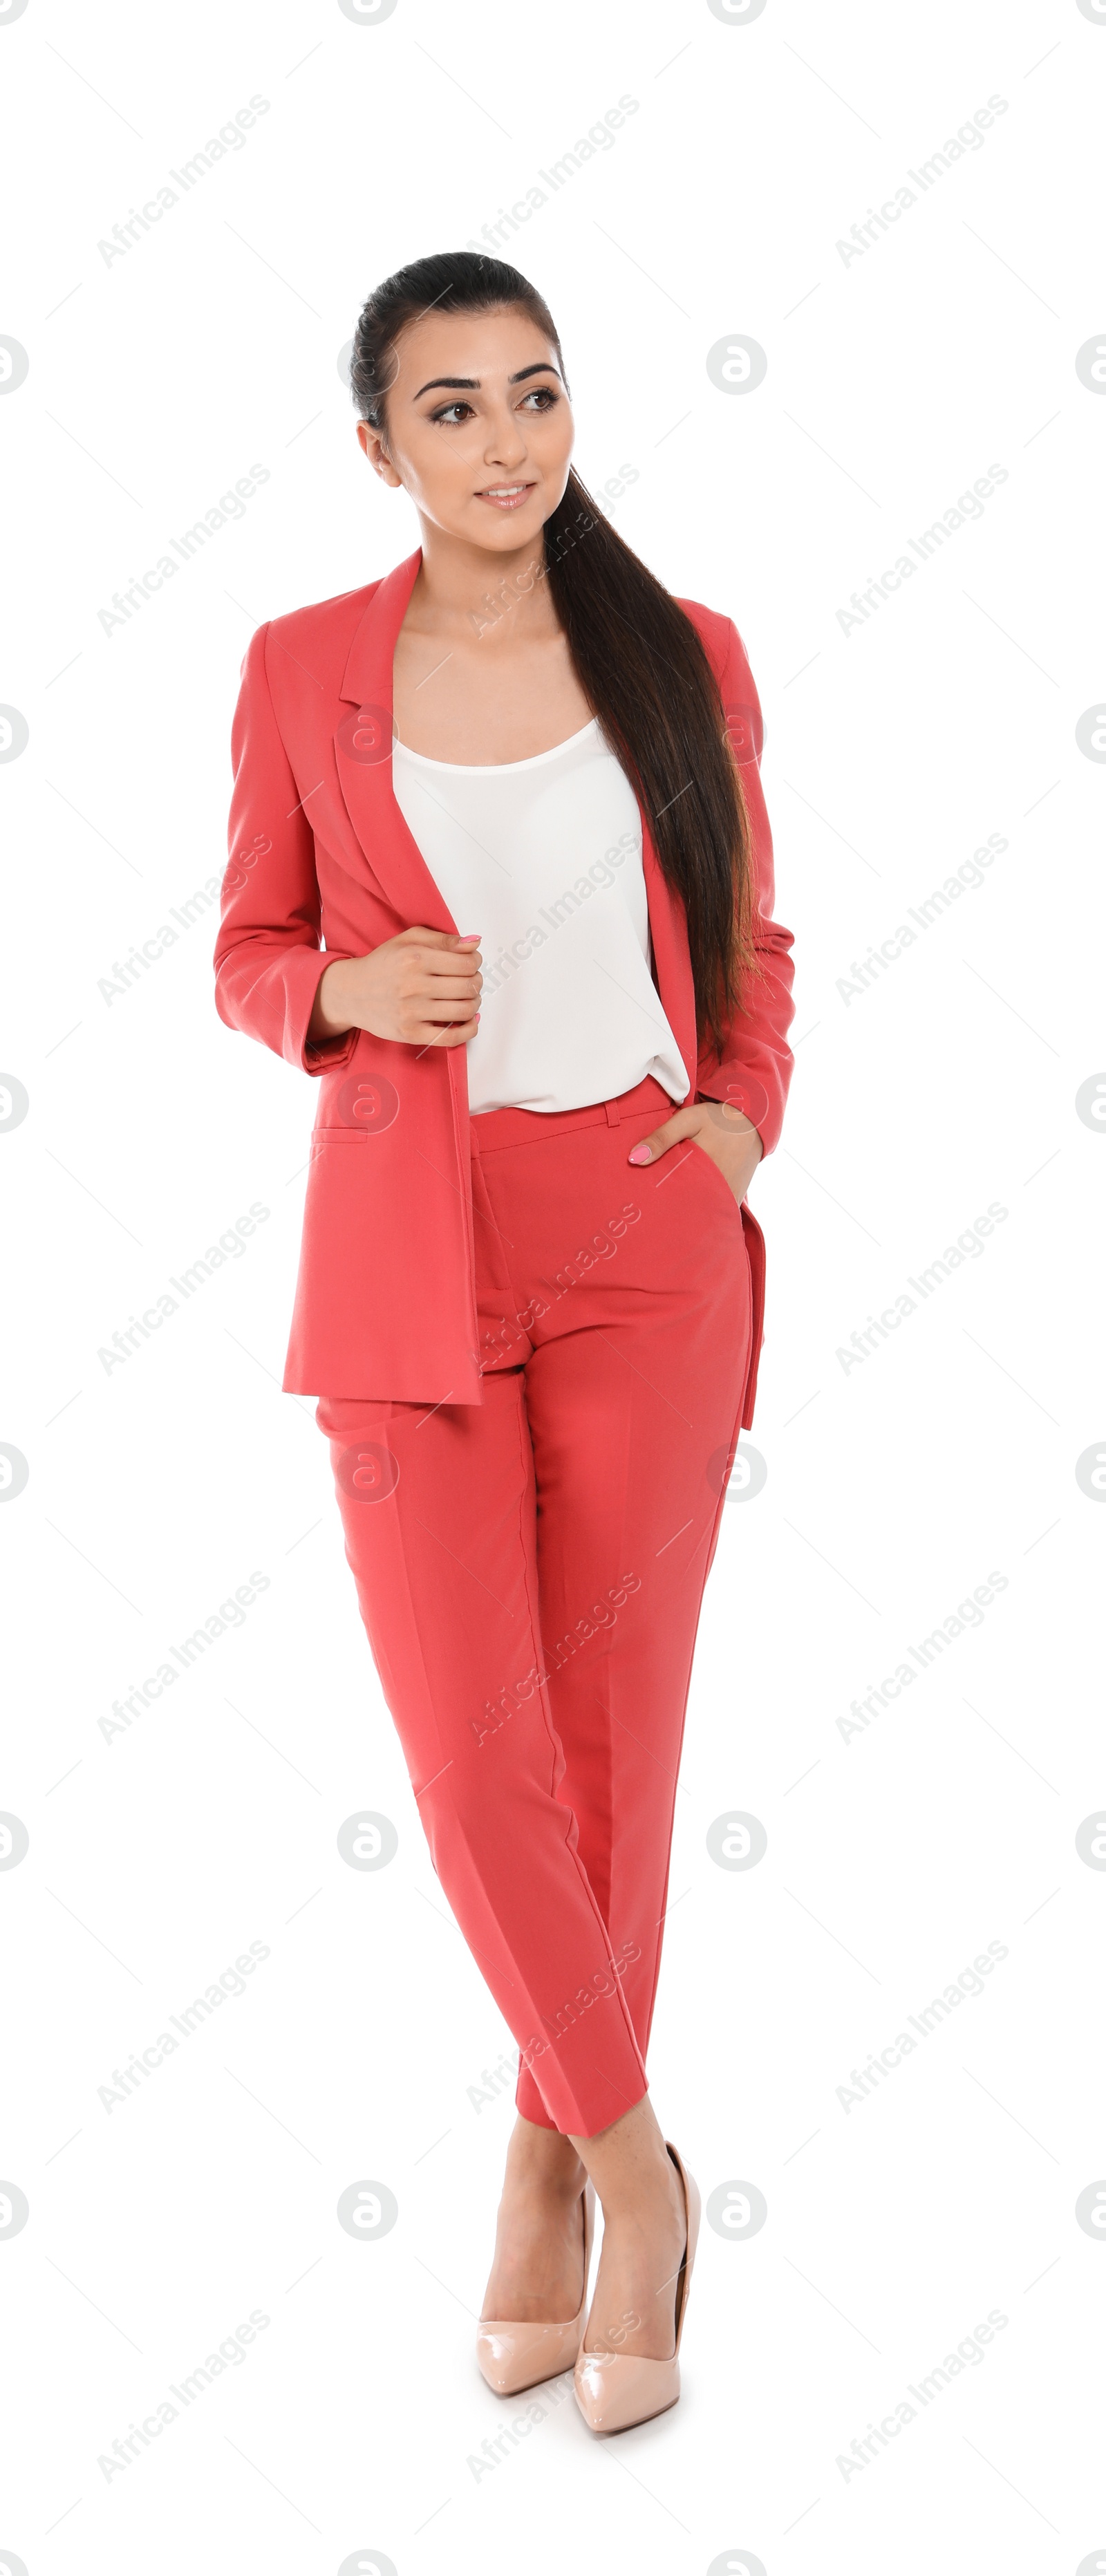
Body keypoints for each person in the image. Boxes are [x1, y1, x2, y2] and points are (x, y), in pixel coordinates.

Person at [214, 251, 794, 2435]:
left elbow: (750, 931)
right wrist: (334, 999)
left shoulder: (688, 656)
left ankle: (540, 2182)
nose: (506, 438)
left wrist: (740, 1121)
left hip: (647, 1232)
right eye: (450, 407)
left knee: (616, 1749)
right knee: (476, 1759)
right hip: (407, 1258)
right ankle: (639, 2168)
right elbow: (248, 942)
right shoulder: (298, 672)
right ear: (381, 447)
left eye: (534, 392)